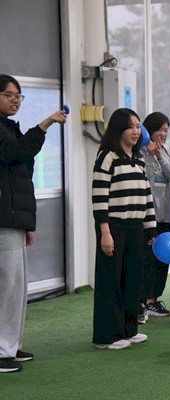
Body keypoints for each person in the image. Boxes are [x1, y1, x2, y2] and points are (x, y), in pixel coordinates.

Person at [0, 74, 67, 372]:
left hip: (13, 220)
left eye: (19, 95)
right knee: (7, 287)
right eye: (9, 95)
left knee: (16, 286)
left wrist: (27, 224)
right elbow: (17, 153)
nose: (15, 100)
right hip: (3, 221)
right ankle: (2, 351)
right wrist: (45, 125)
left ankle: (9, 346)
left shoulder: (9, 128)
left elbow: (21, 176)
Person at [91, 108, 156, 350]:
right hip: (114, 227)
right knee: (111, 281)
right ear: (119, 129)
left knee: (132, 280)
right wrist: (104, 232)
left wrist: (150, 229)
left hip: (136, 227)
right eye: (131, 127)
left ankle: (129, 329)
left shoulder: (139, 159)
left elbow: (147, 196)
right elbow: (99, 196)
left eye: (138, 127)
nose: (135, 131)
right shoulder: (107, 156)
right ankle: (106, 336)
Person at [137, 112, 170, 323]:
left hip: (166, 215)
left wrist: (159, 156)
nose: (163, 134)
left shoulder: (168, 152)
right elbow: (141, 177)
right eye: (160, 129)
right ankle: (141, 303)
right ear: (149, 130)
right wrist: (148, 154)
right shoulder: (139, 151)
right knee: (146, 260)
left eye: (166, 130)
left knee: (163, 260)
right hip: (147, 215)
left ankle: (154, 300)